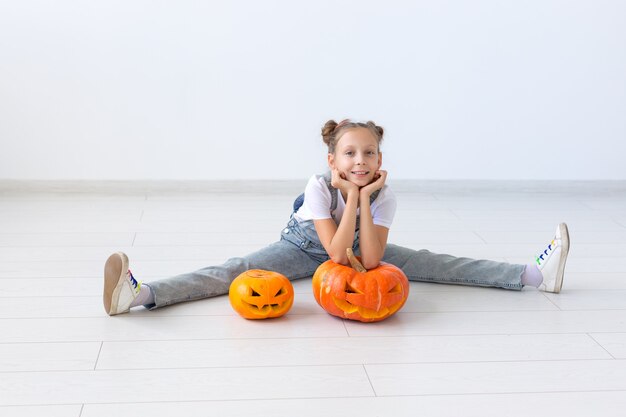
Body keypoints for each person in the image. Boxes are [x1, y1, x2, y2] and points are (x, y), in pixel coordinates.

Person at [103, 119, 570, 316]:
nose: (360, 161)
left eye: (369, 153)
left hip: (358, 254)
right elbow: (332, 251)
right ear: (333, 161)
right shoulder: (319, 185)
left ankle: (532, 274)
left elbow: (366, 258)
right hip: (302, 246)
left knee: (434, 262)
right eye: (349, 154)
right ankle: (141, 295)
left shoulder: (384, 197)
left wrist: (363, 199)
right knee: (232, 272)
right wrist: (346, 193)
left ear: (380, 158)